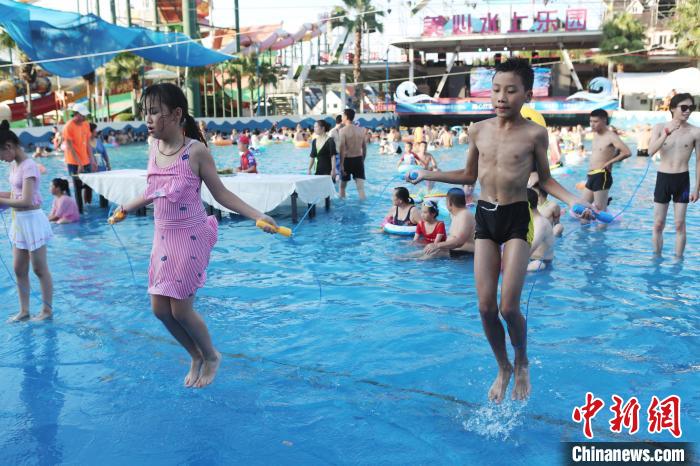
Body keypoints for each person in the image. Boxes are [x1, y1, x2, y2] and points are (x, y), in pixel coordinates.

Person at [411, 58, 592, 402]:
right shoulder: (478, 129)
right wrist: (428, 175)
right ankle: (503, 366)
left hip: (515, 219)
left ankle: (522, 360)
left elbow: (548, 180)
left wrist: (574, 202)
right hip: (485, 218)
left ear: (527, 93)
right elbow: (468, 176)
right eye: (496, 90)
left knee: (509, 307)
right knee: (484, 307)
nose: (502, 97)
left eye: (511, 90)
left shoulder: (535, 133)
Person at [114, 83, 279, 388]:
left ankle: (211, 355)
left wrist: (258, 214)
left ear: (176, 114)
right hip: (162, 238)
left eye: (153, 112)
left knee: (181, 309)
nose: (147, 119)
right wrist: (125, 207)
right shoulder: (154, 148)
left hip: (190, 236)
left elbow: (221, 193)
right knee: (159, 310)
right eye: (144, 113)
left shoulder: (195, 151)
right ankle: (195, 354)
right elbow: (153, 191)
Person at [0, 120, 54, 322]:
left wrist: (1, 199)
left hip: (32, 220)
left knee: (39, 269)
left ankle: (47, 311)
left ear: (8, 147)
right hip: (20, 221)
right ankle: (24, 311)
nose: (1, 160)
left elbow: (26, 200)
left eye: (0, 155)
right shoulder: (15, 165)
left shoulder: (29, 166)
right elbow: (15, 194)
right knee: (18, 268)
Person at [648, 93, 700, 257]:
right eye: (684, 108)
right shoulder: (659, 127)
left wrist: (697, 188)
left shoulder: (695, 132)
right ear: (672, 109)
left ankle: (678, 262)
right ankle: (656, 259)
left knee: (679, 224)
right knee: (658, 224)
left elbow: (699, 161)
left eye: (691, 108)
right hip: (663, 178)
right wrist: (666, 133)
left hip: (682, 180)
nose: (688, 111)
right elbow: (650, 152)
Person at [584, 109, 631, 214]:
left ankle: (601, 230)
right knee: (582, 208)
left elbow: (627, 152)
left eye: (595, 121)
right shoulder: (595, 134)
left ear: (604, 120)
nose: (592, 124)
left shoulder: (611, 136)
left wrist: (610, 162)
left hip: (602, 175)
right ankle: (585, 230)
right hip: (591, 175)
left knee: (600, 211)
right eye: (591, 121)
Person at [420, 188, 475, 259]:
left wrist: (437, 245)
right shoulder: (455, 214)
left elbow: (460, 241)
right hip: (453, 251)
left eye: (446, 201)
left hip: (466, 254)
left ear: (450, 203)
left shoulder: (465, 215)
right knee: (424, 252)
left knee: (429, 256)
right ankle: (402, 258)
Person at [63, 103, 96, 212]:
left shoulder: (86, 124)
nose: (84, 117)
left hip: (86, 160)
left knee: (89, 185)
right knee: (77, 187)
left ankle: (89, 206)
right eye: (82, 115)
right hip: (73, 162)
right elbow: (70, 148)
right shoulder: (68, 127)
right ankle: (80, 210)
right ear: (76, 114)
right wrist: (79, 164)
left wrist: (92, 159)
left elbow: (87, 144)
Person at [339, 109, 367, 200]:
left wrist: (341, 164)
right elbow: (364, 148)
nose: (341, 117)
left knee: (342, 187)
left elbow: (342, 148)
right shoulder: (361, 130)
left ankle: (341, 206)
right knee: (360, 188)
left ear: (346, 117)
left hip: (347, 160)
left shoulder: (343, 130)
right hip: (358, 159)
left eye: (342, 116)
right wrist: (362, 160)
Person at [526, 188, 554, 272]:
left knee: (537, 265)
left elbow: (529, 249)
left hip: (540, 266)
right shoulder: (529, 220)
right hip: (529, 261)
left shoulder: (540, 224)